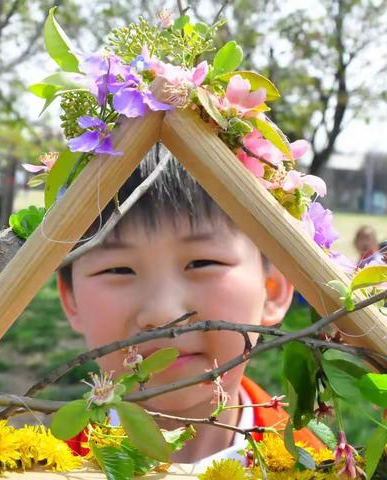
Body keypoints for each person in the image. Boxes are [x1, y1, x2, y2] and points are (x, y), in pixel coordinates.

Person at [56, 149, 323, 465]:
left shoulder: (322, 467)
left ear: (273, 287)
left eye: (202, 263)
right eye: (118, 270)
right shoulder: (45, 466)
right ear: (71, 300)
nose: (163, 313)